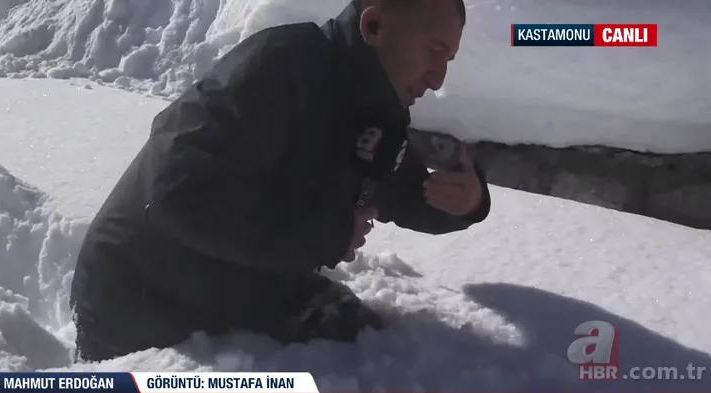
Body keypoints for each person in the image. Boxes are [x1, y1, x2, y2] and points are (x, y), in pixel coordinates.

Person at [70, 0, 490, 362]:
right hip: (138, 303)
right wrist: (325, 234)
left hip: (235, 282)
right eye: (434, 52)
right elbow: (176, 194)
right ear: (374, 26)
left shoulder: (377, 109)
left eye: (447, 60)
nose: (437, 79)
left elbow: (405, 190)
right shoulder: (281, 65)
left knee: (364, 343)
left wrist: (468, 201)